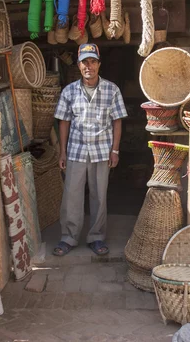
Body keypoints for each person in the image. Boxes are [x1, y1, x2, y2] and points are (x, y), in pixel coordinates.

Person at [52, 43, 127, 256]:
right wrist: (62, 152)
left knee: (99, 196)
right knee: (71, 195)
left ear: (99, 65)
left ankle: (96, 237)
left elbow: (117, 121)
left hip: (102, 151)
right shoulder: (69, 91)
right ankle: (68, 237)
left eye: (93, 62)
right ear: (78, 65)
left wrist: (115, 151)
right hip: (76, 150)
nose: (89, 66)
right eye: (85, 62)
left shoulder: (112, 90)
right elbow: (64, 122)